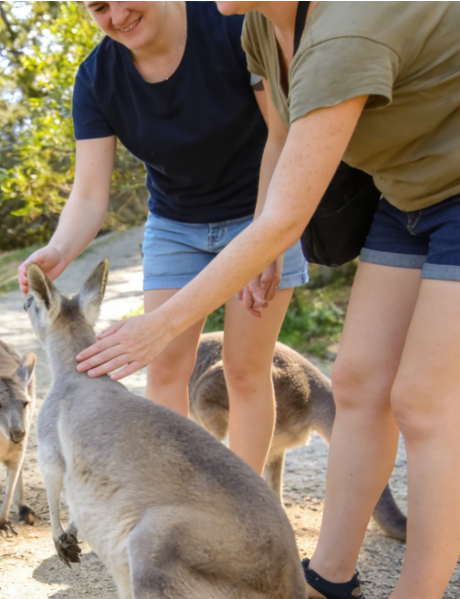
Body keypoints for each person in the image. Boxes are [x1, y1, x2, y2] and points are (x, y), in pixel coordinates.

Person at [76, 0, 460, 599]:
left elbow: (285, 219)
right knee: (360, 383)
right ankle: (332, 579)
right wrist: (270, 230)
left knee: (427, 400)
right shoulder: (256, 27)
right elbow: (280, 140)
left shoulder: (347, 28)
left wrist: (161, 322)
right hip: (412, 184)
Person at [17, 0, 306, 477]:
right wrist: (59, 250)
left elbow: (282, 134)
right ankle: (174, 498)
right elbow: (89, 196)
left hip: (260, 212)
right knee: (166, 367)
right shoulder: (96, 79)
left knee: (244, 369)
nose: (116, 16)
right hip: (175, 225)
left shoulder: (231, 24)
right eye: (98, 7)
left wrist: (266, 239)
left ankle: (247, 502)